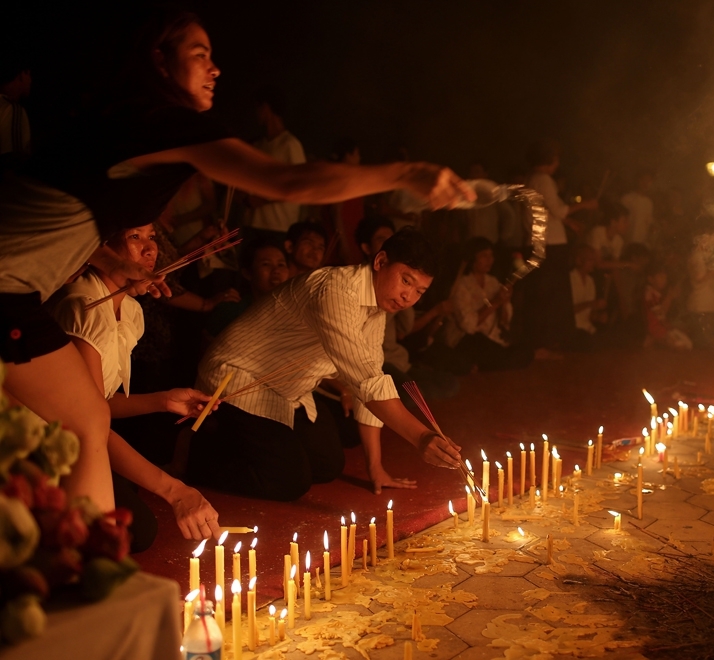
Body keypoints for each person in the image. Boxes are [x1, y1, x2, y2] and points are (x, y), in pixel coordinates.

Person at [0, 7, 473, 529]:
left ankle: (84, 571)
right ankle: (85, 572)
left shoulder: (125, 129)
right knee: (89, 422)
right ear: (158, 62)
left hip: (16, 294)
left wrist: (120, 266)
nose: (215, 69)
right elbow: (290, 183)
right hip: (6, 292)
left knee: (85, 422)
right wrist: (408, 173)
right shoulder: (157, 123)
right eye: (199, 54)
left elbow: (69, 220)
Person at [189, 229, 463, 500]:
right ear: (380, 262)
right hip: (239, 378)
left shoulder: (376, 307)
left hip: (289, 390)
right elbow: (367, 383)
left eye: (419, 291)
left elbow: (370, 378)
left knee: (327, 466)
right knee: (289, 482)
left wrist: (376, 468)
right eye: (406, 281)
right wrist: (421, 437)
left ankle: (246, 442)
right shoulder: (336, 290)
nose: (409, 297)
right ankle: (197, 455)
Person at [46, 223, 219, 550]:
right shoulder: (82, 305)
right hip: (47, 441)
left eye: (152, 237)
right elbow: (84, 419)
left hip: (79, 431)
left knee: (132, 513)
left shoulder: (129, 308)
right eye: (134, 237)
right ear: (104, 248)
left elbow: (99, 403)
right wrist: (175, 491)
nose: (150, 249)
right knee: (132, 530)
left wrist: (165, 401)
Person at [355, 216, 458, 403]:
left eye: (419, 290)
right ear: (370, 251)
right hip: (378, 365)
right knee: (412, 397)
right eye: (381, 239)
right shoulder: (356, 289)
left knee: (448, 382)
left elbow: (405, 328)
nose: (408, 295)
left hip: (398, 360)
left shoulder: (398, 291)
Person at [523, 140, 597, 353]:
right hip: (550, 245)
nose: (557, 163)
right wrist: (586, 204)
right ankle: (544, 345)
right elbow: (559, 209)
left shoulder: (531, 178)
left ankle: (541, 344)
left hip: (537, 242)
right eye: (556, 158)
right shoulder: (544, 179)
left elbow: (548, 211)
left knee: (541, 295)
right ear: (549, 159)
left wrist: (569, 223)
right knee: (550, 297)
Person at [445, 237, 533, 371]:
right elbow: (469, 326)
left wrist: (504, 302)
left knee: (525, 351)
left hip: (492, 340)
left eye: (491, 255)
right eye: (484, 256)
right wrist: (495, 302)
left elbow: (504, 322)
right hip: (467, 340)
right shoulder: (461, 285)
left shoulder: (493, 282)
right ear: (473, 259)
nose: (489, 260)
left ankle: (485, 364)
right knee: (479, 343)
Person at [240, 86, 306, 238]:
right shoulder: (258, 146)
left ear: (265, 107)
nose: (256, 114)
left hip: (278, 226)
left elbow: (300, 185)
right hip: (252, 224)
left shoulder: (289, 144)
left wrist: (264, 199)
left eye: (257, 108)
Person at [204, 237, 289, 339]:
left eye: (281, 264)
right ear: (248, 273)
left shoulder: (295, 313)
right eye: (266, 264)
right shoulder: (231, 312)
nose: (276, 270)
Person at [643, 261, 692, 351]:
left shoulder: (658, 294)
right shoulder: (650, 293)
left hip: (662, 327)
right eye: (660, 276)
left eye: (665, 277)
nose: (664, 280)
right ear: (650, 279)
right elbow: (660, 314)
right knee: (680, 346)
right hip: (655, 328)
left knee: (687, 344)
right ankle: (653, 338)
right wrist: (670, 297)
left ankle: (655, 340)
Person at [570, 244, 606, 344]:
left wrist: (598, 317)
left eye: (594, 260)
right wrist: (592, 304)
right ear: (579, 260)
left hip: (587, 328)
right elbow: (567, 310)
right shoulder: (570, 279)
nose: (593, 263)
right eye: (590, 260)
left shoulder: (590, 281)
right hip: (572, 328)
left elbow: (589, 315)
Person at [0, 57, 31, 170]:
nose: (31, 80)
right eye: (29, 75)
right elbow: (13, 162)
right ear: (22, 75)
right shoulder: (12, 110)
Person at [620, 169, 656, 247]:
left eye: (649, 181)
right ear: (638, 180)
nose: (646, 183)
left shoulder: (649, 203)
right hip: (626, 241)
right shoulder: (627, 199)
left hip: (641, 243)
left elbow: (648, 223)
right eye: (644, 180)